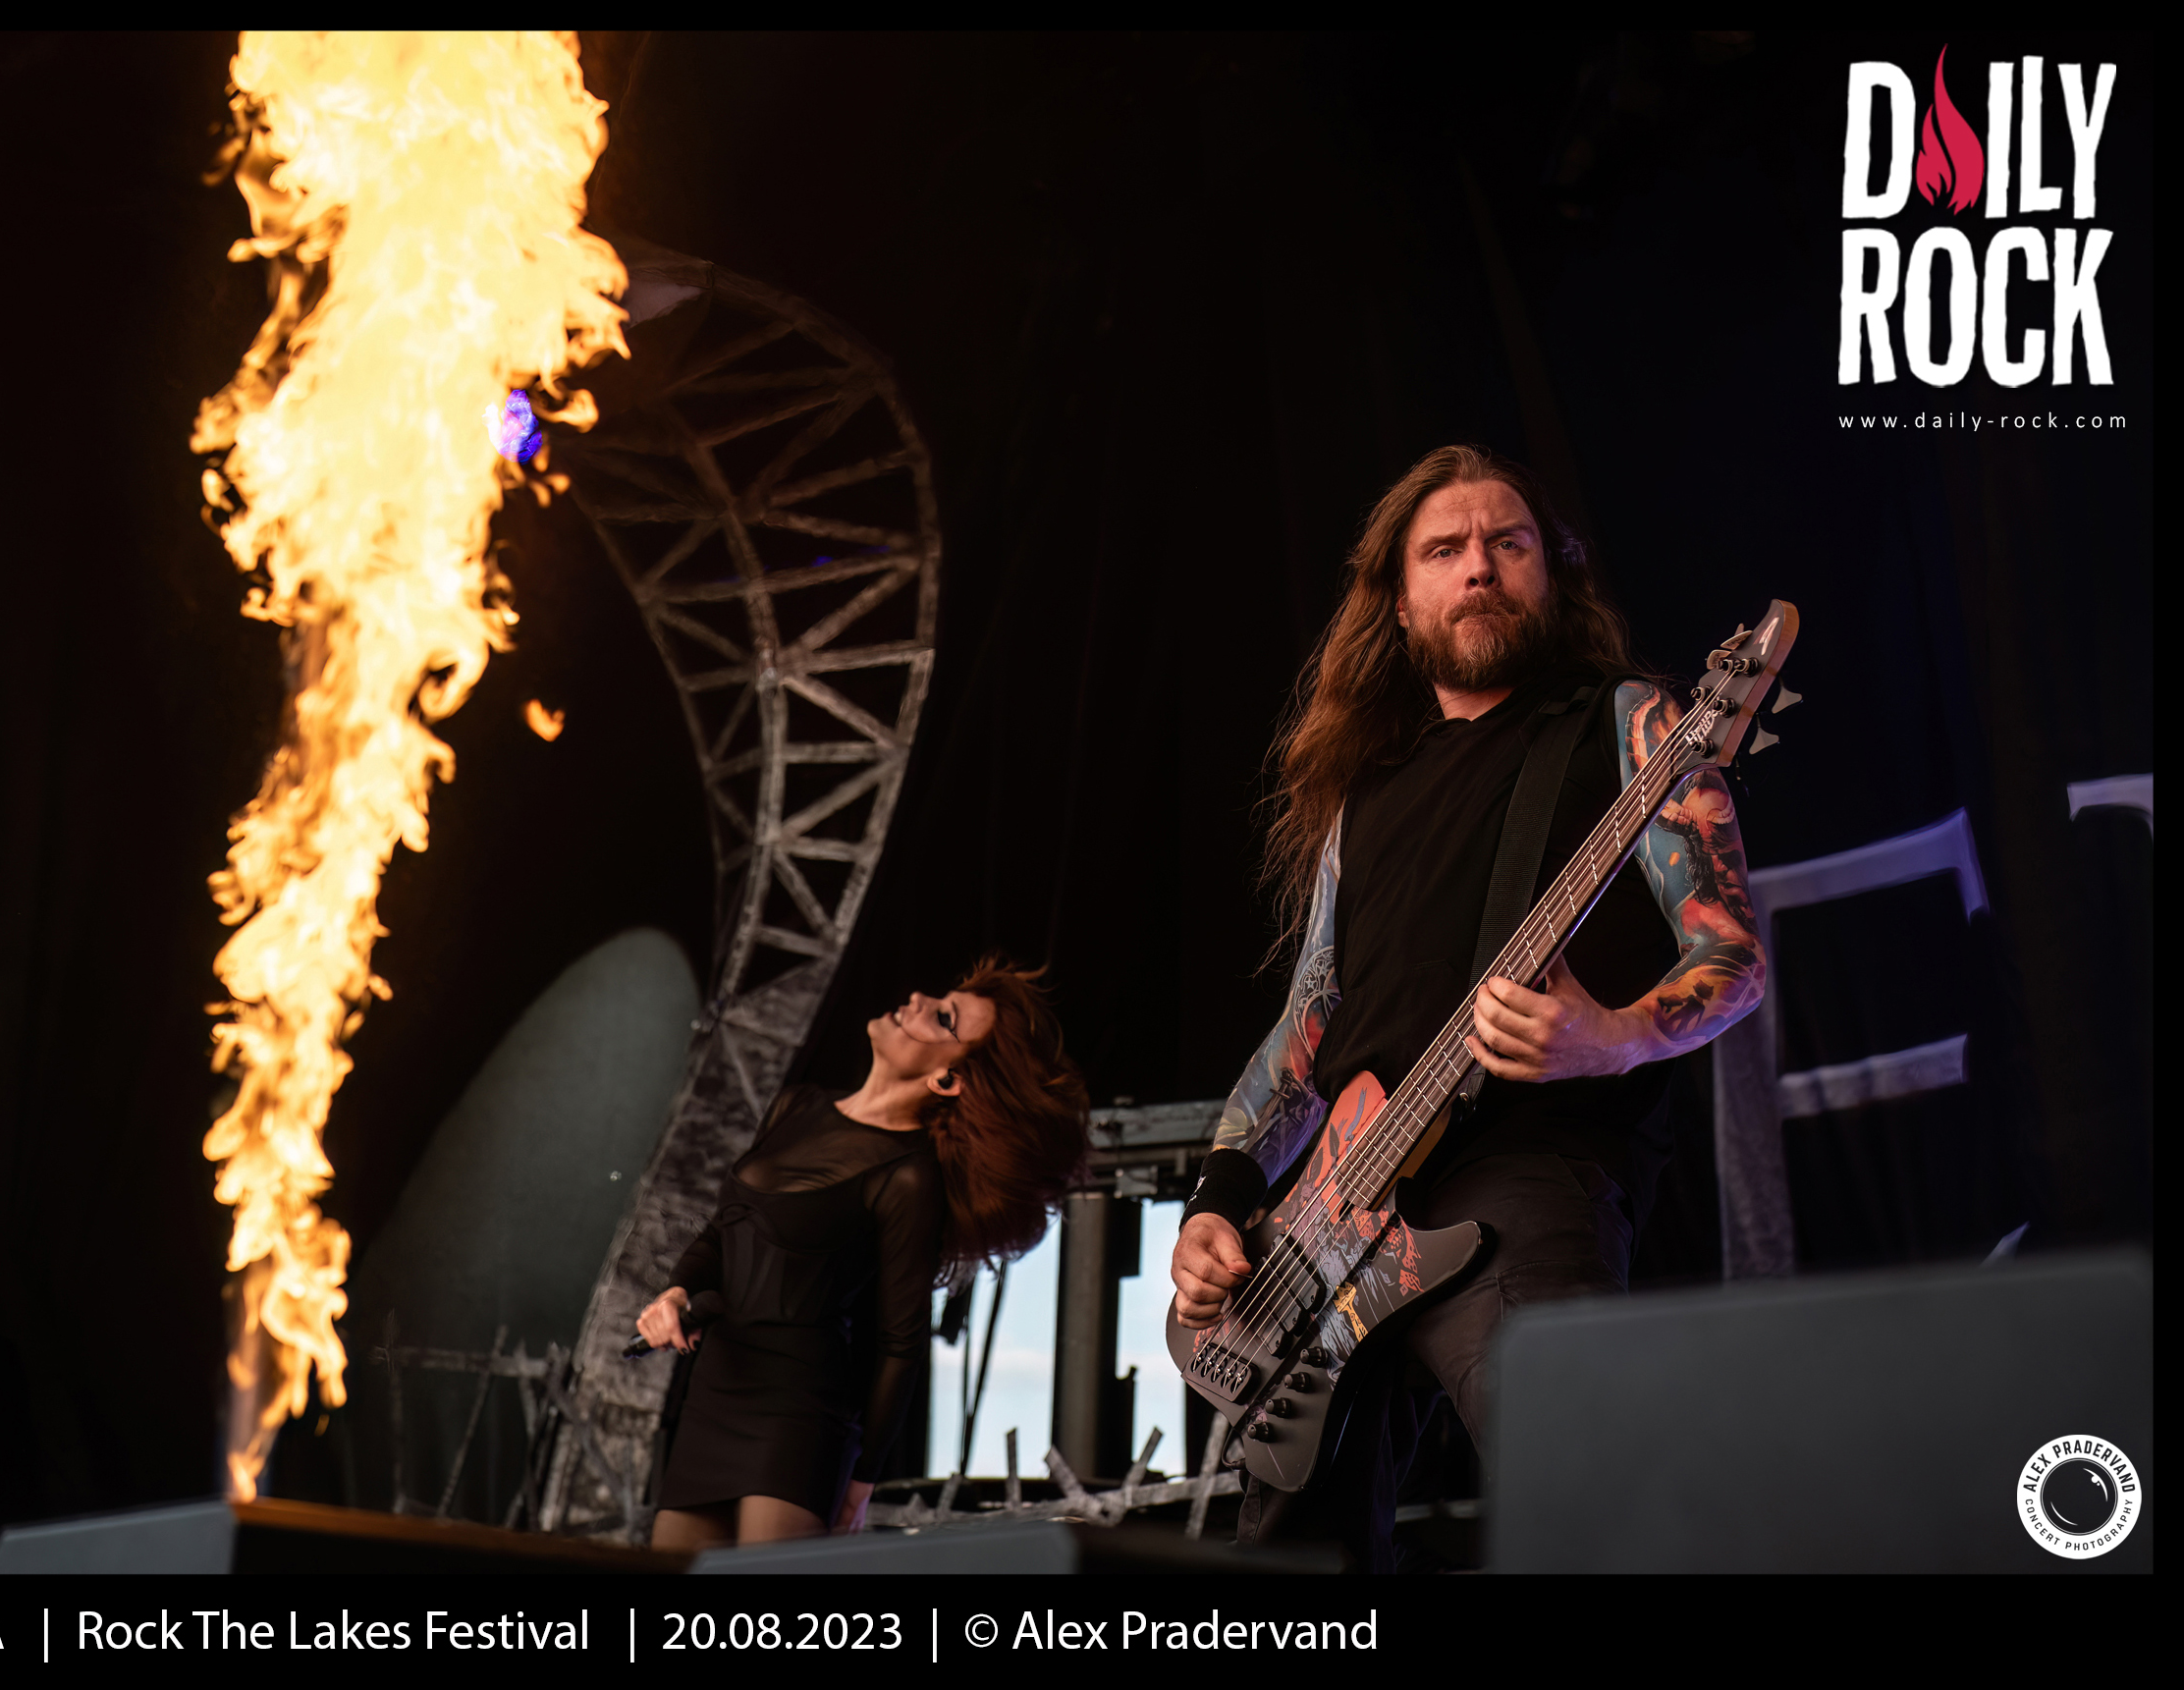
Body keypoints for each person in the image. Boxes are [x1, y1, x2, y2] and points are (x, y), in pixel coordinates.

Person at [1171, 445, 1767, 1570]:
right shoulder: (1363, 794)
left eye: (1507, 542)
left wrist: (1610, 1037)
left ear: (1551, 570)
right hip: (1324, 1229)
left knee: (1587, 1490)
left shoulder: (1629, 722)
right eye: (1443, 550)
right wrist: (1219, 1197)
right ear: (1399, 601)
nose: (1478, 567)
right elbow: (1308, 1016)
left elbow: (1731, 955)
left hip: (1524, 1166)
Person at [640, 957, 1089, 1551]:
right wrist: (675, 1292)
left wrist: (859, 1483)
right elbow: (725, 1231)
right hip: (713, 1393)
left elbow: (901, 1344)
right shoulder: (796, 1105)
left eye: (944, 1018)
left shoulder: (909, 1177)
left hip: (800, 1416)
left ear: (947, 1080)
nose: (917, 997)